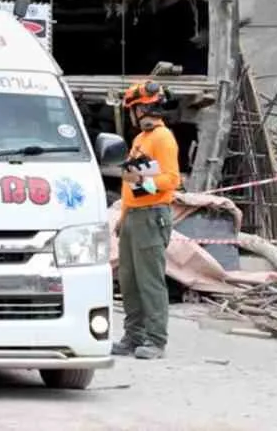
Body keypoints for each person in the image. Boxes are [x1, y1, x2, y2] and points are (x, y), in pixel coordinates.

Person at [111, 78, 180, 361]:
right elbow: (131, 184)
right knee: (129, 280)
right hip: (134, 216)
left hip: (152, 216)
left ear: (140, 109)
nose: (130, 115)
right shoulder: (141, 140)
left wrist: (143, 184)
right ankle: (134, 335)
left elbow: (171, 180)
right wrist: (123, 215)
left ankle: (155, 339)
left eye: (131, 109)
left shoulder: (163, 138)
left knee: (150, 281)